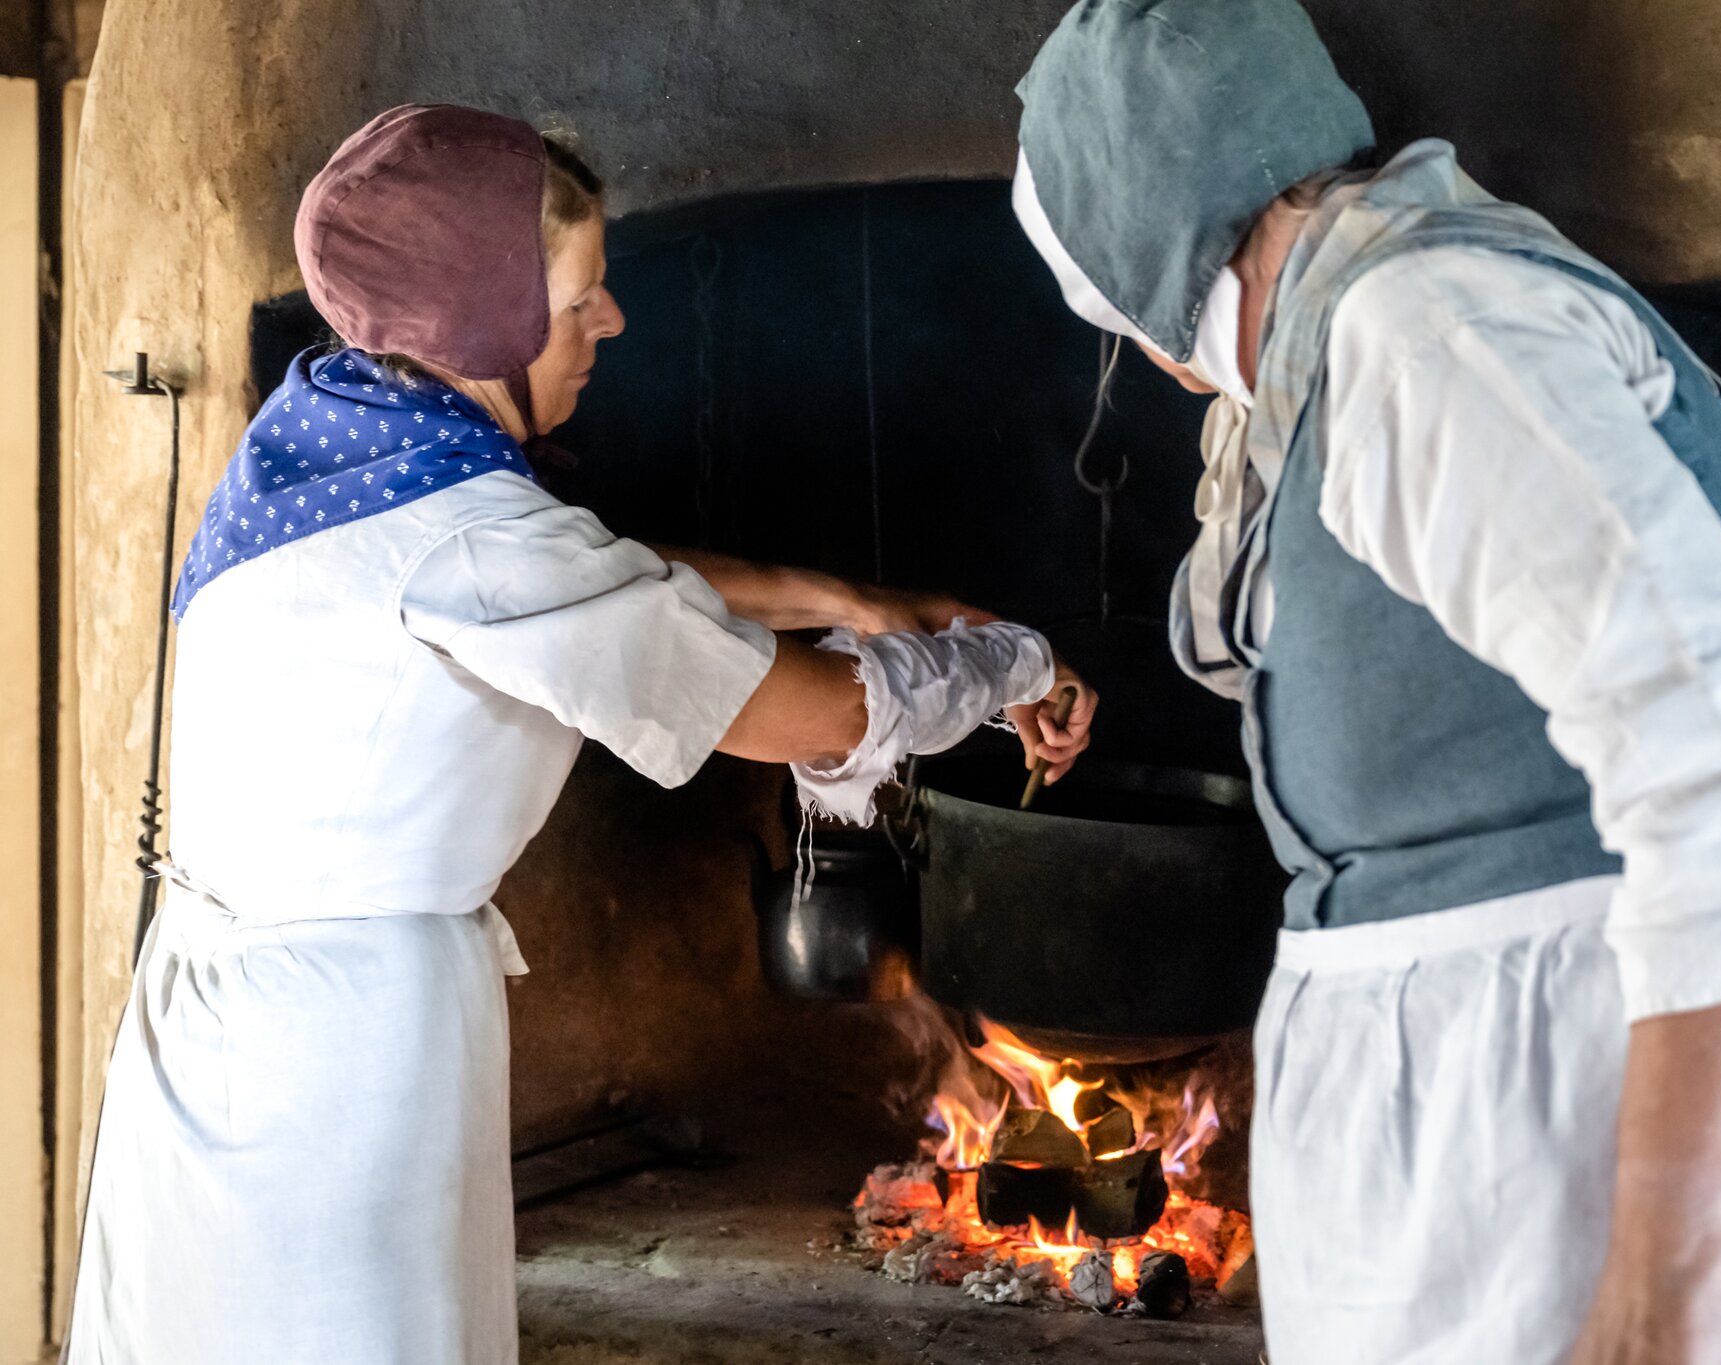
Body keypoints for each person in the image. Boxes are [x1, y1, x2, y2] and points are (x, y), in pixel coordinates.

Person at [1011, 3, 1721, 1363]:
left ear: (1152, 256)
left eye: (1117, 307)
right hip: (1520, 1158)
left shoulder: (1431, 332)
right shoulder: (1352, 343)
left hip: (1649, 1169)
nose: (1138, 352)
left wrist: (1663, 1297)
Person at [66, 104, 1096, 1365]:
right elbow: (817, 714)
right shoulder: (477, 545)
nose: (607, 321)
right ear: (476, 317)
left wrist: (836, 596)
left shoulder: (337, 430)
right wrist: (1012, 664)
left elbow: (600, 573)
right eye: (574, 299)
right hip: (335, 1069)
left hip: (210, 1018)